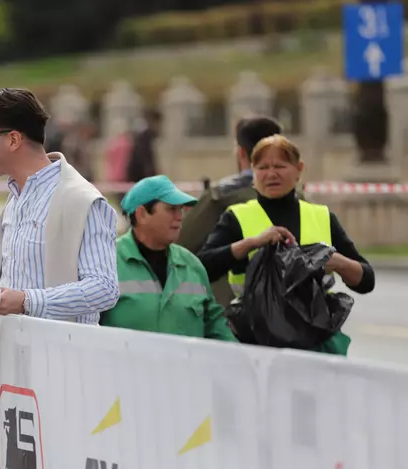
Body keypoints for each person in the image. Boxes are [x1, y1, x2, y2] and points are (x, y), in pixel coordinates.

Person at [197, 135, 375, 355]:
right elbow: (203, 267)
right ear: (253, 172)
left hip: (315, 341)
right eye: (263, 167)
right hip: (255, 342)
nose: (271, 174)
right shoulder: (236, 217)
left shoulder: (321, 216)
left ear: (299, 169)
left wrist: (336, 261)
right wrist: (250, 244)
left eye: (280, 166)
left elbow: (366, 281)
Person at [0, 88, 119, 324]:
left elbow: (104, 288)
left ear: (13, 140)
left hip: (65, 355)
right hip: (18, 353)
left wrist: (27, 301)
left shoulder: (81, 199)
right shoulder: (17, 195)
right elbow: (17, 258)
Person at [100, 175, 236, 341]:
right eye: (171, 209)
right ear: (142, 214)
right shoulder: (107, 262)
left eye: (181, 209)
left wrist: (243, 361)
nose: (180, 217)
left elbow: (215, 327)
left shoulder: (192, 265)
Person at [178, 116, 284, 308]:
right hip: (294, 314)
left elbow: (182, 243)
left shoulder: (219, 197)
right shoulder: (301, 198)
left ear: (241, 153)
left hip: (231, 312)